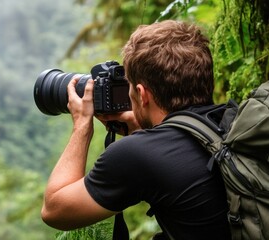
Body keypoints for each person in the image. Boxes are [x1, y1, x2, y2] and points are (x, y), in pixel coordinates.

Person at [41, 20, 231, 239]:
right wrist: (141, 130)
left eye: (128, 86)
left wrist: (82, 124)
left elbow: (54, 210)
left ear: (142, 94)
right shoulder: (231, 122)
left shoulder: (137, 154)